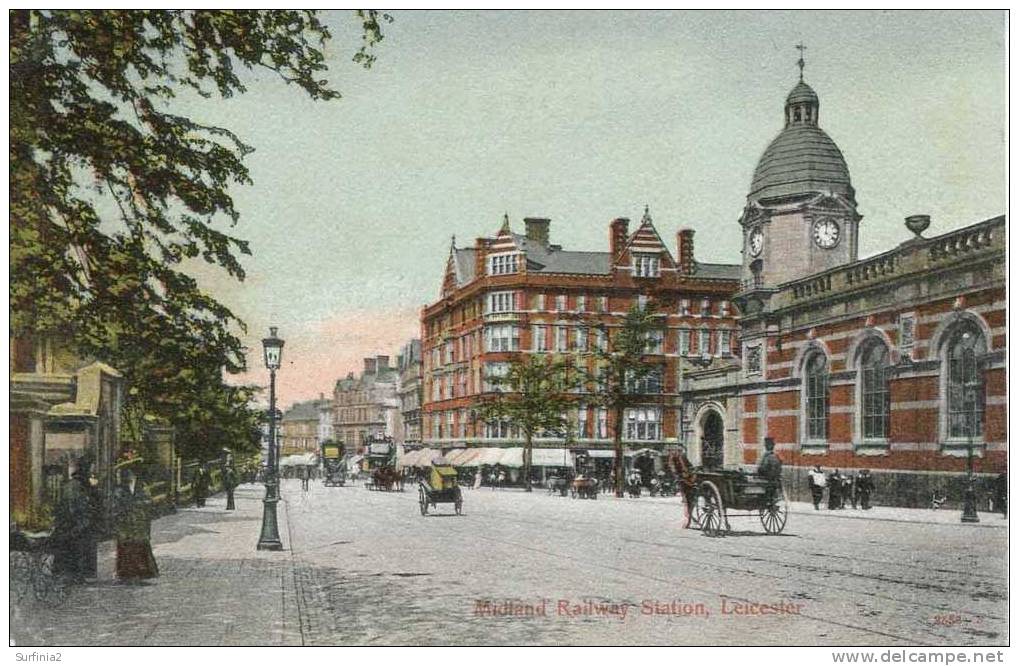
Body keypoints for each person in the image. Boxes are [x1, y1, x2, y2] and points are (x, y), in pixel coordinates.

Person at [51, 460, 96, 584]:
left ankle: (76, 575)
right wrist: (79, 522)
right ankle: (70, 575)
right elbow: (73, 507)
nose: (92, 474)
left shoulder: (81, 484)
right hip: (72, 523)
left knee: (79, 549)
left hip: (77, 522)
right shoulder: (74, 485)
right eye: (90, 471)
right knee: (74, 548)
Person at [113, 469, 159, 583]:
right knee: (126, 546)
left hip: (139, 522)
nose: (128, 476)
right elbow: (116, 504)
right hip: (126, 523)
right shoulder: (120, 489)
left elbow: (149, 501)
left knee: (139, 546)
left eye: (130, 474)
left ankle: (141, 573)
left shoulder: (142, 487)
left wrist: (138, 505)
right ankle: (125, 574)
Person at [669, 446, 697, 528]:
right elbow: (673, 467)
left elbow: (675, 467)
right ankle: (688, 518)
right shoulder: (677, 457)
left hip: (687, 478)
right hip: (686, 478)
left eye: (678, 451)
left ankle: (688, 518)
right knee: (687, 500)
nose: (677, 452)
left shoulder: (680, 457)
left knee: (687, 500)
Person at [757, 438, 783, 504]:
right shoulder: (775, 455)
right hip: (773, 478)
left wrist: (759, 471)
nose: (766, 446)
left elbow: (764, 468)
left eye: (766, 445)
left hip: (768, 478)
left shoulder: (768, 456)